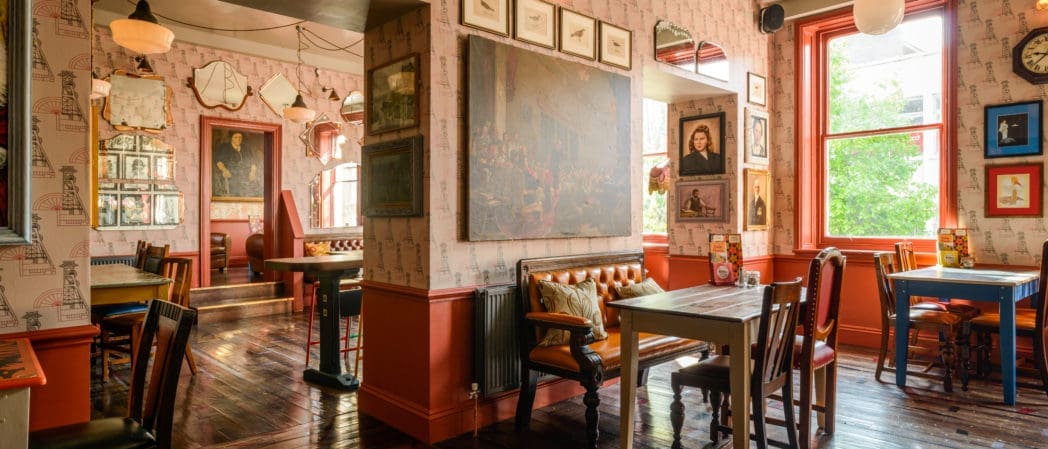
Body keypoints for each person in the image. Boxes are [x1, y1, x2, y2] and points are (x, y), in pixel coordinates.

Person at [214, 131, 261, 198]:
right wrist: (224, 170)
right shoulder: (225, 148)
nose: (238, 139)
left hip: (246, 175)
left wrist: (253, 172)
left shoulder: (246, 148)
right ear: (231, 138)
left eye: (240, 137)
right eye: (235, 137)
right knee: (235, 191)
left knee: (253, 190)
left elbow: (253, 163)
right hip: (231, 174)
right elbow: (219, 161)